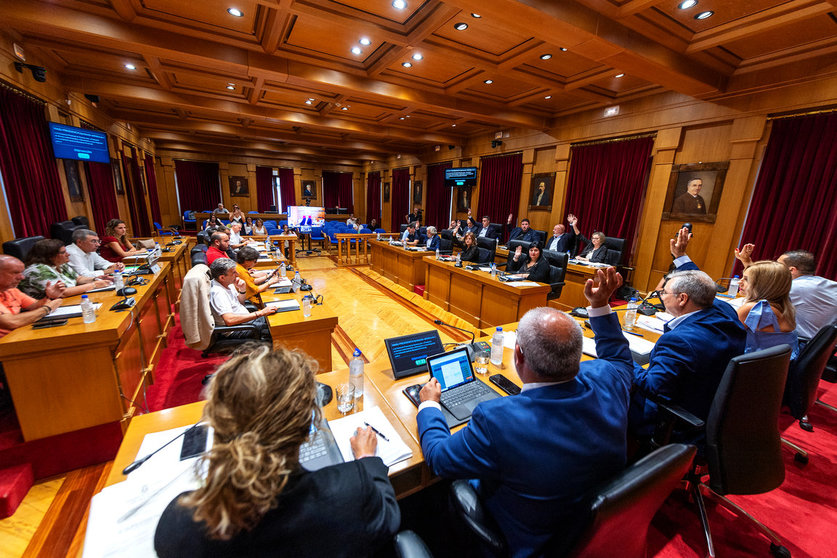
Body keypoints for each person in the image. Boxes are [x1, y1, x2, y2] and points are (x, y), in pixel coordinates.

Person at [417, 267, 633, 557]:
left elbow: (439, 459)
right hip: (587, 533)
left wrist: (429, 404)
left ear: (517, 355)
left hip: (529, 541)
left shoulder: (497, 420)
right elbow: (619, 359)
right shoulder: (609, 378)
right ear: (577, 356)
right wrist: (600, 305)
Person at [154, 345, 400, 558]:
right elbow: (389, 518)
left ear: (217, 421)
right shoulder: (352, 489)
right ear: (309, 425)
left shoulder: (180, 522)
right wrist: (367, 458)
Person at [630, 227, 747, 436]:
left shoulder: (680, 341)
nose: (661, 296)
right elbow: (704, 289)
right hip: (707, 404)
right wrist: (681, 257)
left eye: (664, 293)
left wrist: (622, 356)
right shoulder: (726, 311)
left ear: (682, 299)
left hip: (673, 420)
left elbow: (652, 387)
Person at [736, 245, 837, 343]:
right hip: (815, 348)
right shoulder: (829, 285)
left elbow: (760, 287)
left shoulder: (795, 287)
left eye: (778, 265)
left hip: (798, 343)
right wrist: (747, 262)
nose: (773, 268)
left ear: (791, 270)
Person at [737, 260, 798, 359]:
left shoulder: (754, 309)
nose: (740, 281)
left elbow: (726, 336)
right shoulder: (785, 306)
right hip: (781, 367)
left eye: (746, 279)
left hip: (756, 367)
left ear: (762, 285)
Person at [207, 258, 276, 341]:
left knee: (276, 317)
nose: (238, 274)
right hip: (236, 329)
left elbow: (240, 303)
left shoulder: (228, 283)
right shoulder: (218, 293)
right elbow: (229, 320)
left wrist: (242, 290)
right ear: (222, 277)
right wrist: (260, 313)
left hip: (246, 321)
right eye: (234, 273)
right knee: (275, 329)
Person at [19, 239, 112, 299]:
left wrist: (96, 279)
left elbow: (78, 279)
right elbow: (62, 293)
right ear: (50, 256)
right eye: (63, 252)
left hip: (69, 301)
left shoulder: (60, 264)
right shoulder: (38, 270)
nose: (68, 254)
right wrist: (94, 285)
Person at [0, 255, 65, 338]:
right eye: (15, 273)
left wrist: (50, 297)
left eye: (21, 272)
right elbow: (11, 322)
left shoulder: (11, 290)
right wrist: (47, 309)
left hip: (19, 336)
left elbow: (35, 306)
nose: (22, 277)